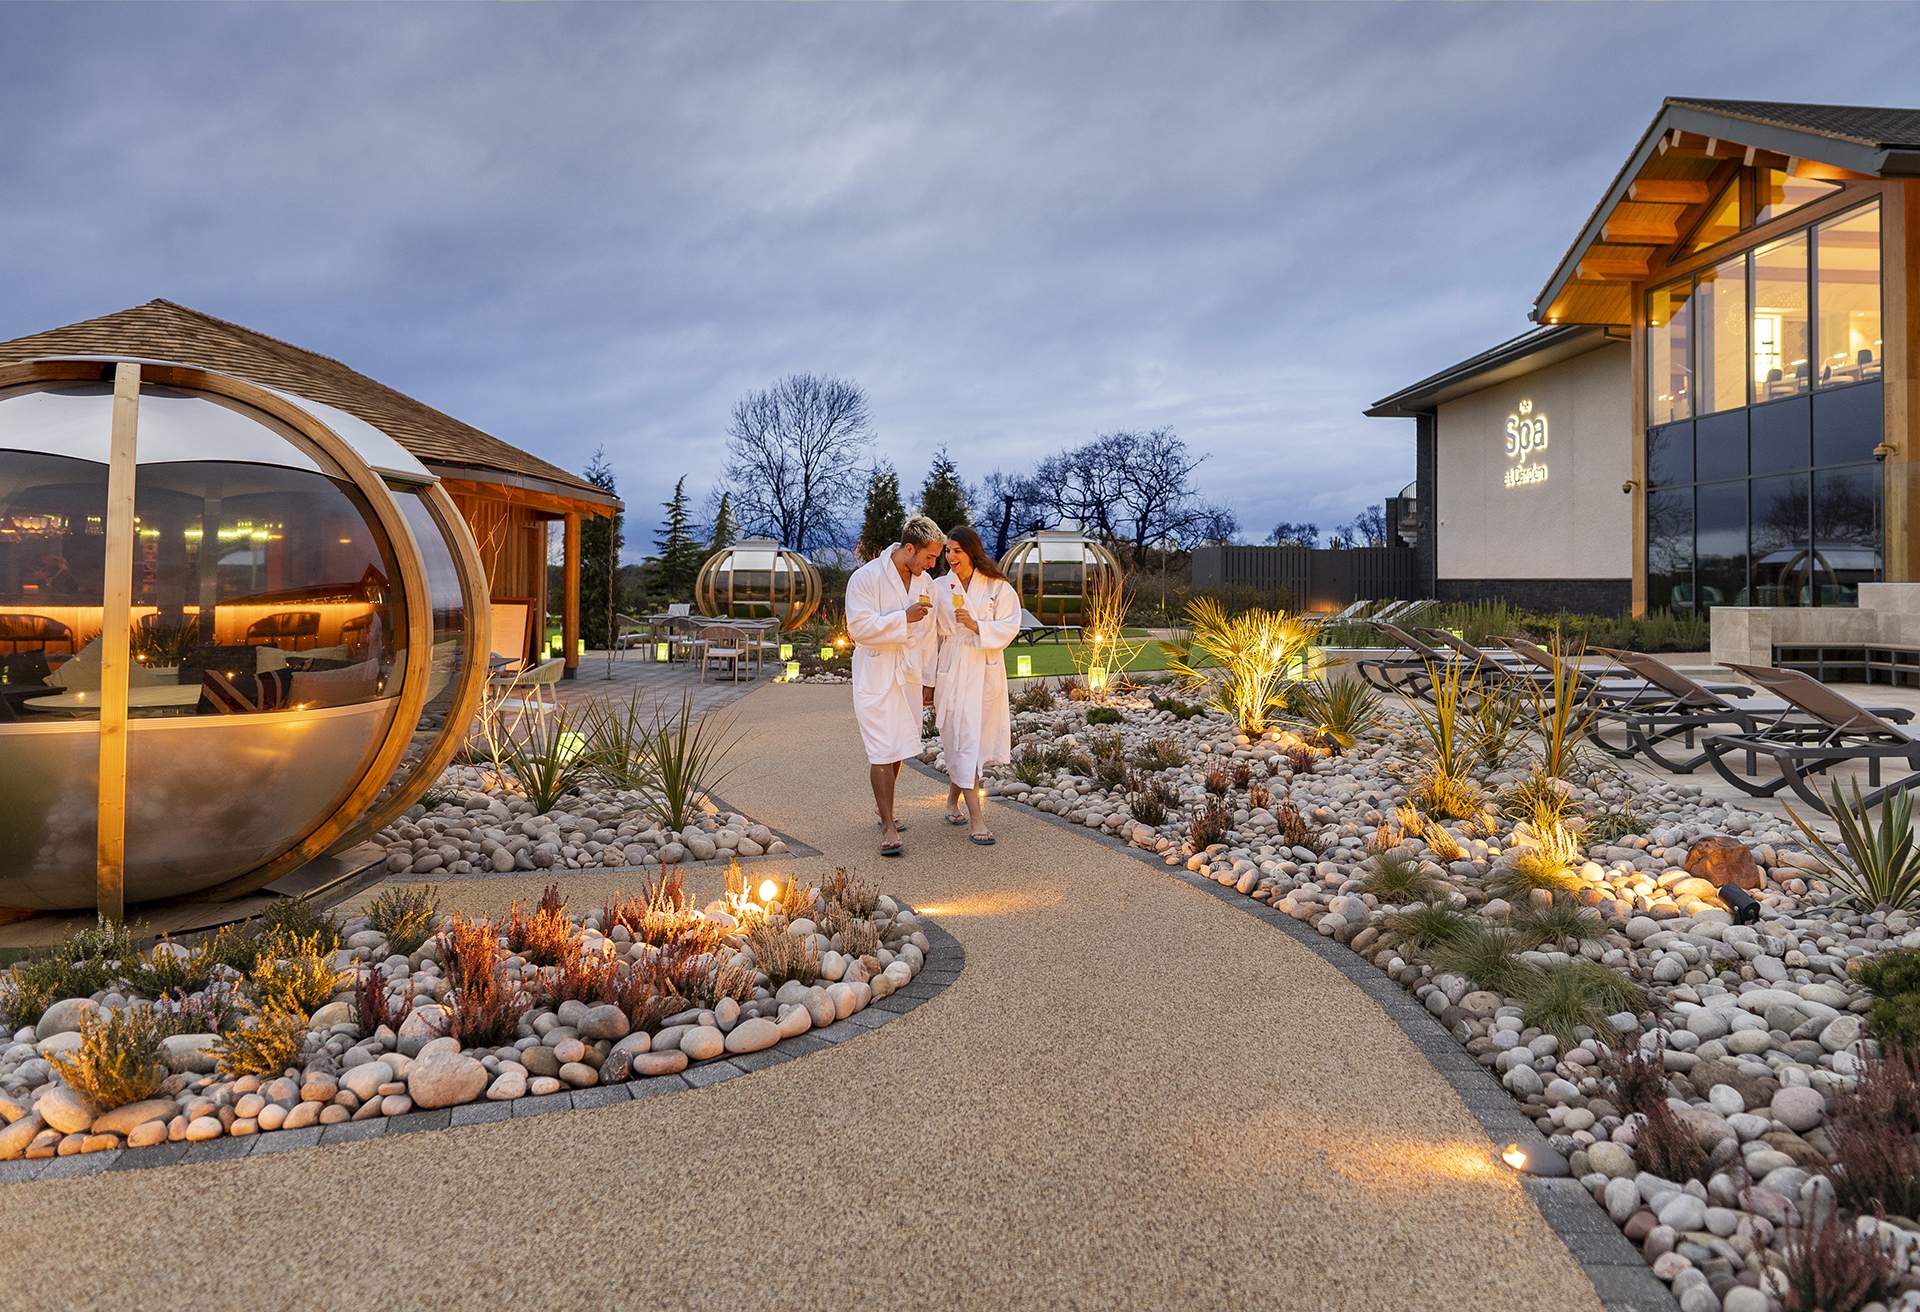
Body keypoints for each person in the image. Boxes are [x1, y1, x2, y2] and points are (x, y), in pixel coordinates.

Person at [845, 514, 944, 856]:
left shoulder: (926, 584)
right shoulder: (866, 578)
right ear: (909, 548)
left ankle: (882, 807)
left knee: (899, 746)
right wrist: (903, 617)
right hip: (876, 672)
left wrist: (929, 680)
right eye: (929, 557)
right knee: (881, 750)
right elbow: (859, 628)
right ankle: (888, 824)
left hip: (909, 675)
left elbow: (930, 636)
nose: (933, 564)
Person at [931, 524, 1019, 845]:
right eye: (947, 551)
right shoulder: (939, 587)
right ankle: (977, 819)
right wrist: (928, 681)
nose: (951, 556)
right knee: (960, 740)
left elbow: (1010, 626)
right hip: (952, 670)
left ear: (972, 552)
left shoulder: (997, 587)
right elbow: (931, 636)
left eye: (957, 550)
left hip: (984, 670)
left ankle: (954, 800)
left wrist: (977, 624)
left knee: (973, 745)